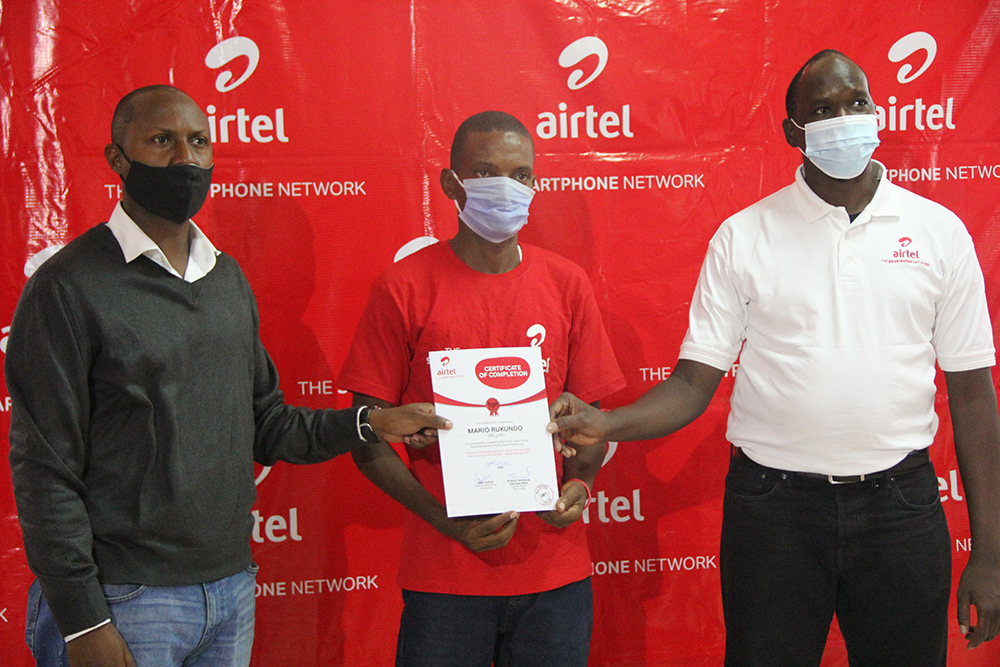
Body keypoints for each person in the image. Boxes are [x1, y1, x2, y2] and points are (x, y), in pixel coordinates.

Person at [547, 50, 1000, 666]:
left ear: (877, 112)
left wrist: (990, 553)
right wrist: (608, 423)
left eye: (857, 103)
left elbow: (972, 396)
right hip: (775, 512)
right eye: (823, 110)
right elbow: (692, 384)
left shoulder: (938, 232)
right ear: (794, 132)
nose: (845, 119)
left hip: (901, 507)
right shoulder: (744, 236)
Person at [5, 84, 450, 667]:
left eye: (199, 142)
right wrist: (83, 620)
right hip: (124, 600)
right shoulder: (67, 287)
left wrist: (372, 424)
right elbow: (44, 468)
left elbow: (268, 425)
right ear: (117, 158)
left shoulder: (226, 279)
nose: (185, 159)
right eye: (161, 141)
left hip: (230, 591)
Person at [338, 111, 626, 667]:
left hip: (555, 574)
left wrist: (582, 484)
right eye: (486, 172)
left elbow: (593, 424)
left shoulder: (567, 285)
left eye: (521, 175)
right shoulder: (402, 288)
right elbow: (365, 437)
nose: (506, 187)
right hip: (444, 575)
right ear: (451, 184)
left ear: (536, 184)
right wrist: (441, 518)